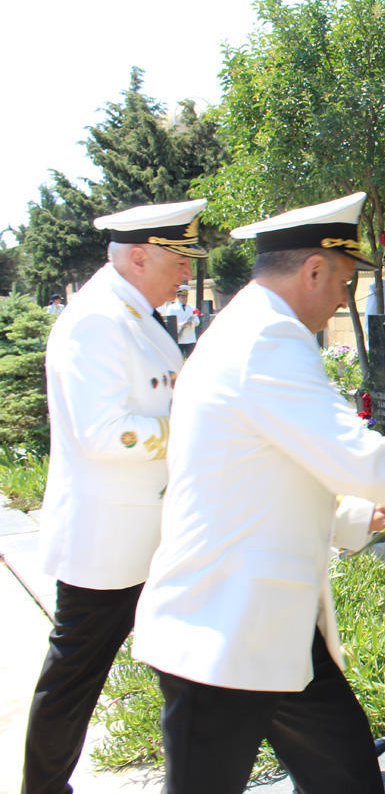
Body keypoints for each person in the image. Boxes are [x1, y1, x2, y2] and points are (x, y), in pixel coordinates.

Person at [132, 192, 385, 794]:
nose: (342, 300)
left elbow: (276, 466)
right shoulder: (266, 338)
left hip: (274, 623)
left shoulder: (252, 327)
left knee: (348, 776)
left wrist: (358, 514)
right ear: (314, 270)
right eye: (345, 282)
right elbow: (352, 452)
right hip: (222, 629)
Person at [22, 198, 206, 794]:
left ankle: (325, 749)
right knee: (74, 678)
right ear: (139, 257)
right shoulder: (98, 320)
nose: (186, 273)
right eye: (179, 260)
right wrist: (192, 432)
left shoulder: (134, 314)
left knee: (209, 652)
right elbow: (103, 433)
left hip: (153, 531)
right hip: (108, 542)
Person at [158, 284, 201, 357]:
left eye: (186, 296)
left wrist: (192, 323)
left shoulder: (192, 307)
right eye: (182, 297)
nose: (185, 299)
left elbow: (197, 321)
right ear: (178, 297)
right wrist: (182, 324)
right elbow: (170, 324)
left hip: (190, 338)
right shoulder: (172, 308)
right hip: (179, 339)